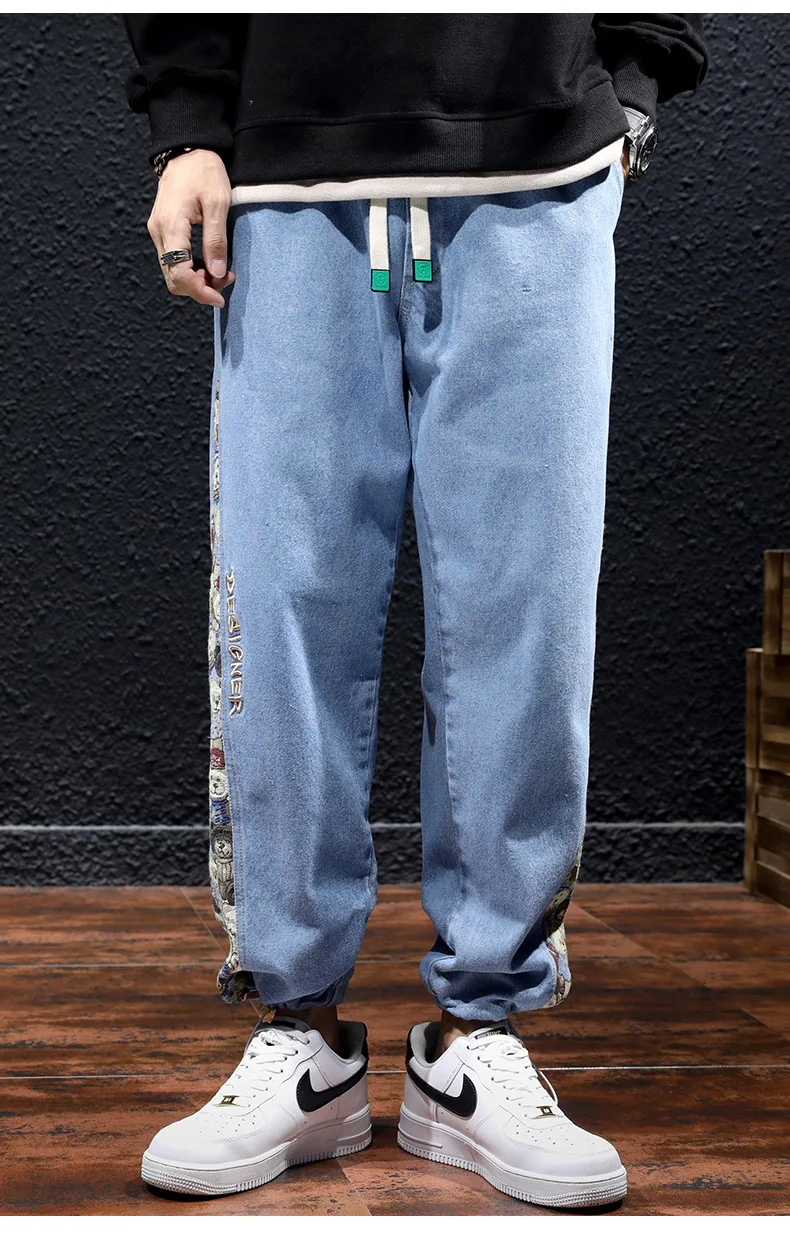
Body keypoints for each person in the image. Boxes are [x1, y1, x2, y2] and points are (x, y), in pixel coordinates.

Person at [122, 14, 708, 1207]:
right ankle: (300, 1036)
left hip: (537, 163)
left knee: (526, 619)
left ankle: (477, 1035)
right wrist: (186, 129)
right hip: (288, 173)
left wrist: (635, 80)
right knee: (278, 620)